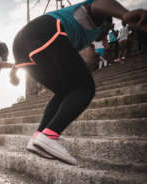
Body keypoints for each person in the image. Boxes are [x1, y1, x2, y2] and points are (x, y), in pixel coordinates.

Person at [10, 0, 147, 165]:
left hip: (22, 47)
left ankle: (39, 137)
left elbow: (88, 58)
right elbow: (98, 3)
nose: (104, 36)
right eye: (106, 32)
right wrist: (124, 14)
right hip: (45, 31)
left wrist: (14, 71)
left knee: (65, 91)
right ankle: (49, 136)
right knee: (85, 88)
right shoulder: (98, 21)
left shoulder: (82, 38)